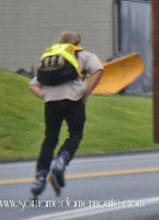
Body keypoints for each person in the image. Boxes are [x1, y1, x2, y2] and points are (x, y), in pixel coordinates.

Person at [28, 31, 104, 199]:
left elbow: (32, 84)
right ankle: (61, 161)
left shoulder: (51, 59)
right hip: (74, 99)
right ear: (77, 43)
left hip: (51, 103)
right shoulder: (83, 55)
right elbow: (99, 70)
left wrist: (45, 96)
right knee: (75, 134)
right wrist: (85, 93)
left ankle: (40, 178)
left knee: (50, 139)